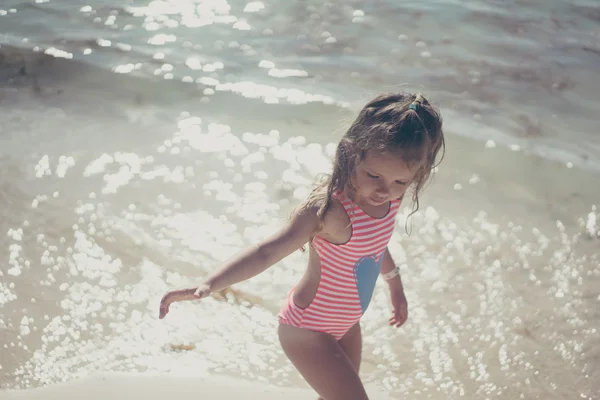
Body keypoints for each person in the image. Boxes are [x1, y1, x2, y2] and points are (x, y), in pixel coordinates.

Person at [158, 92, 445, 400]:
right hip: (308, 330)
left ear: (418, 174)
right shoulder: (328, 211)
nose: (383, 189)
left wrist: (394, 282)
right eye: (373, 175)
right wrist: (210, 283)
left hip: (347, 324)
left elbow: (373, 245)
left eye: (399, 182)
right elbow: (266, 251)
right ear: (353, 154)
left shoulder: (390, 199)